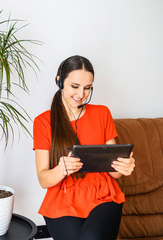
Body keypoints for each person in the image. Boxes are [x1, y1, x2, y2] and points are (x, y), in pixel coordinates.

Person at [33, 55, 135, 240]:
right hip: (61, 198)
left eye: (87, 88)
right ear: (59, 81)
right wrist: (61, 169)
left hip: (103, 196)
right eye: (75, 86)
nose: (81, 94)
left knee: (91, 237)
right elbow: (43, 178)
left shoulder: (102, 113)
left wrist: (123, 166)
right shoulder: (43, 122)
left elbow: (114, 173)